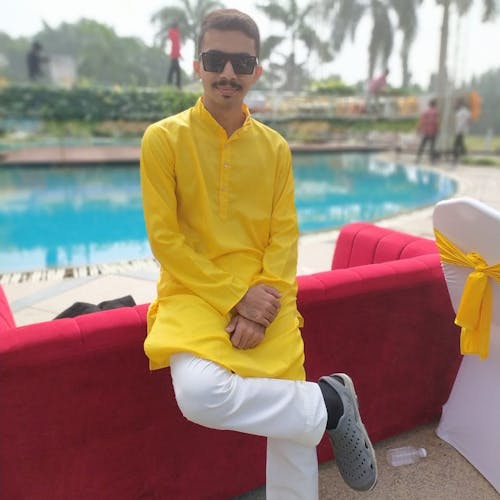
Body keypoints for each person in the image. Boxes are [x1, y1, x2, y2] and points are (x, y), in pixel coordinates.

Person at [140, 9, 377, 499]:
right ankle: (330, 403)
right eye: (216, 60)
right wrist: (235, 298)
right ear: (197, 65)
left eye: (241, 63)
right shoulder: (163, 140)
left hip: (267, 292)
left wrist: (261, 302)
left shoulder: (275, 148)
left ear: (256, 71)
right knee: (200, 395)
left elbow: (284, 236)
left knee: (289, 419)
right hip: (193, 292)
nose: (228, 73)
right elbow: (165, 241)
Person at [416, 98, 439, 163]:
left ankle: (418, 158)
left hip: (426, 131)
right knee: (432, 146)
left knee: (422, 145)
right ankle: (432, 160)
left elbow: (421, 121)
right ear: (435, 105)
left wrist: (418, 129)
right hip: (433, 131)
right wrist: (437, 130)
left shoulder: (425, 112)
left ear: (429, 104)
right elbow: (436, 122)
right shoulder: (435, 112)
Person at [453, 98, 471, 163]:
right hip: (460, 129)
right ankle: (464, 155)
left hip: (461, 130)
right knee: (460, 143)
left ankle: (457, 156)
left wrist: (462, 128)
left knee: (456, 144)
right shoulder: (460, 111)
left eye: (457, 103)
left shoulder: (464, 111)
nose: (456, 104)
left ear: (460, 104)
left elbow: (467, 120)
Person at [166, 22, 182, 88]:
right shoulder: (174, 33)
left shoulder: (174, 33)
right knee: (176, 70)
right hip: (174, 55)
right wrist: (178, 54)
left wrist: (179, 54)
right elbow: (176, 45)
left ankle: (170, 84)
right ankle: (177, 85)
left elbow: (177, 45)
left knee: (173, 70)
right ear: (176, 27)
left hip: (175, 54)